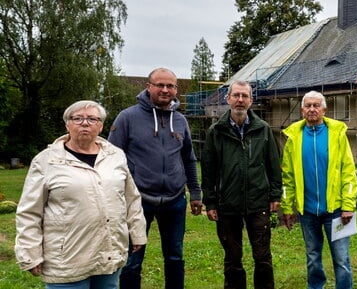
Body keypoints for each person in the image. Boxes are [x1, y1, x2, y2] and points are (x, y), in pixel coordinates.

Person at [15, 100, 147, 288]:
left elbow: (131, 199)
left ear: (101, 126)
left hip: (108, 253)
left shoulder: (115, 156)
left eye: (92, 119)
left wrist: (137, 233)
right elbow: (30, 211)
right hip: (67, 259)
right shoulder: (47, 161)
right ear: (67, 124)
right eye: (77, 118)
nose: (85, 123)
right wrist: (30, 253)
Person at [108, 67, 202, 289]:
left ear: (176, 89)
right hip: (137, 201)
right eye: (160, 85)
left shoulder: (180, 120)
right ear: (148, 86)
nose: (165, 90)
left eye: (170, 86)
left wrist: (195, 192)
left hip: (175, 200)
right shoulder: (127, 117)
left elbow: (189, 158)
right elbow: (111, 160)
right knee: (132, 260)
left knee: (175, 257)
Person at [201, 80, 283, 289]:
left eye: (244, 96)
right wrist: (210, 202)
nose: (240, 100)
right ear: (228, 99)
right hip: (227, 204)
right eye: (236, 95)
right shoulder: (216, 131)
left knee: (263, 256)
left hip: (258, 202)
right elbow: (209, 169)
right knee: (232, 258)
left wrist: (275, 195)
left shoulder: (262, 129)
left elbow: (274, 164)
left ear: (251, 100)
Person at [280, 91, 357, 289]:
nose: (312, 109)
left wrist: (349, 205)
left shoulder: (337, 134)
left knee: (342, 259)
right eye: (308, 106)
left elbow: (348, 172)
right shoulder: (293, 138)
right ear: (302, 110)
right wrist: (287, 208)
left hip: (338, 210)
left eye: (316, 106)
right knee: (313, 258)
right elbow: (287, 177)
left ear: (324, 109)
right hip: (307, 212)